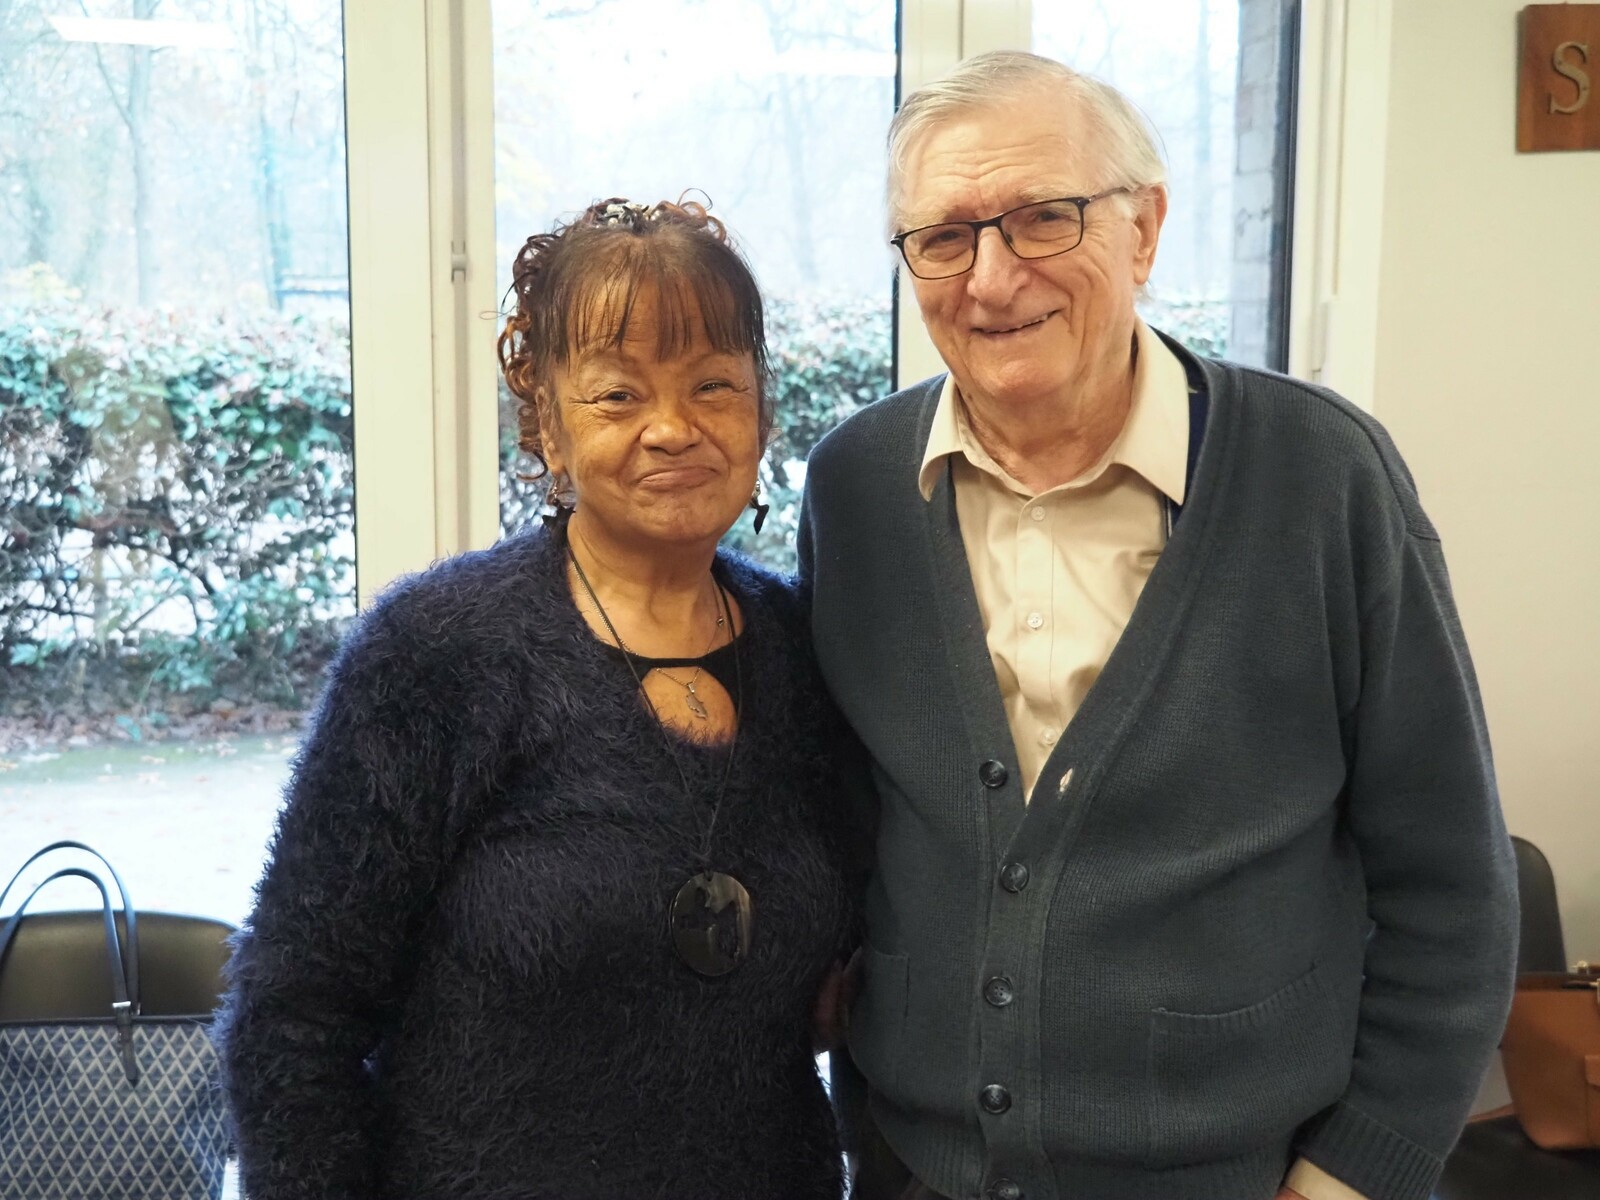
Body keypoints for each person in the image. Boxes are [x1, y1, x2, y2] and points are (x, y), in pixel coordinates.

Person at [799, 51, 1518, 1200]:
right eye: (942, 237)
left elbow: (1452, 885)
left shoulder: (1323, 478)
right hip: (916, 1165)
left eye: (1044, 217)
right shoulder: (854, 487)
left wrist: (1353, 1174)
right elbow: (844, 824)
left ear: (1143, 229)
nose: (991, 278)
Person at [217, 197, 858, 1200]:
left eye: (713, 384)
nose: (673, 428)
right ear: (548, 428)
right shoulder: (439, 651)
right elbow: (293, 1017)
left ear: (761, 412)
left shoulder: (808, 652)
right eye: (617, 394)